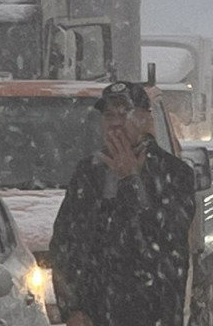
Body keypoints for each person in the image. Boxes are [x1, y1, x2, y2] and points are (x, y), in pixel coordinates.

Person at [50, 82, 196, 326]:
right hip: (94, 315)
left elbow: (165, 243)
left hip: (152, 314)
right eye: (109, 115)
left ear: (143, 119)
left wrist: (131, 182)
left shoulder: (173, 172)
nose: (116, 123)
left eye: (124, 113)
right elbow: (66, 243)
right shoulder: (88, 172)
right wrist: (72, 308)